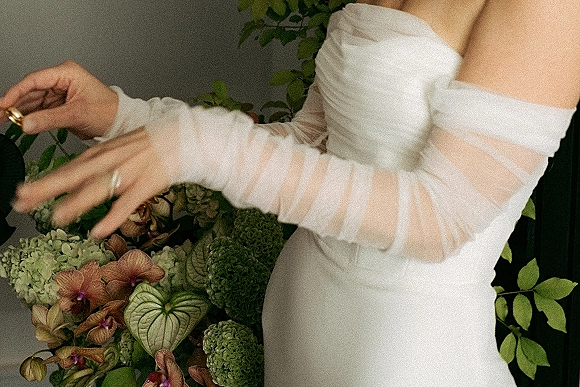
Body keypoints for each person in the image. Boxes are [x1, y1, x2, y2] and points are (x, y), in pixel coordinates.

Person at [2, 0, 579, 385]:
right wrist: (124, 116)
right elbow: (307, 144)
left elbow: (440, 217)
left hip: (399, 353)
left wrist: (206, 144)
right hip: (300, 327)